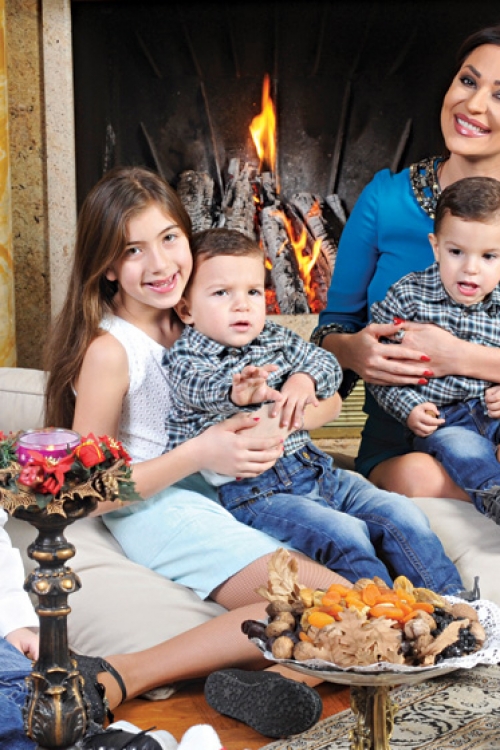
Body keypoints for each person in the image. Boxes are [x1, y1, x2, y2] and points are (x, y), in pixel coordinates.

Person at [42, 164, 362, 740]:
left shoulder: (206, 312)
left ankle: (279, 680)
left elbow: (331, 403)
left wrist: (296, 401)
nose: (160, 264)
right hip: (158, 506)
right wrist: (201, 453)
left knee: (361, 589)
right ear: (108, 266)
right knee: (335, 599)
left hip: (239, 490)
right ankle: (119, 676)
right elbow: (88, 492)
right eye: (133, 250)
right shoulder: (112, 351)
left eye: (169, 238)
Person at [162, 226, 463, 594]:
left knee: (401, 513)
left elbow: (326, 362)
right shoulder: (187, 355)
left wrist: (304, 379)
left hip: (317, 469)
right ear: (186, 309)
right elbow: (194, 388)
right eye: (221, 293)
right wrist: (234, 393)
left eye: (253, 292)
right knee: (343, 533)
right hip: (257, 493)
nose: (242, 305)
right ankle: (386, 613)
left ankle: (454, 603)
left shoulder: (275, 337)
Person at [312, 23, 500, 500]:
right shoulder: (385, 200)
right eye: (468, 81)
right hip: (406, 438)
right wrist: (354, 352)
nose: (474, 105)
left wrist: (463, 358)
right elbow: (332, 327)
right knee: (421, 476)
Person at [368, 176, 500, 525]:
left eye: (489, 256)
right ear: (436, 246)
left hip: (493, 412)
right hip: (444, 419)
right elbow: (382, 374)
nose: (471, 268)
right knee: (462, 449)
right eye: (456, 252)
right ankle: (493, 494)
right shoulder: (408, 297)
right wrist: (410, 408)